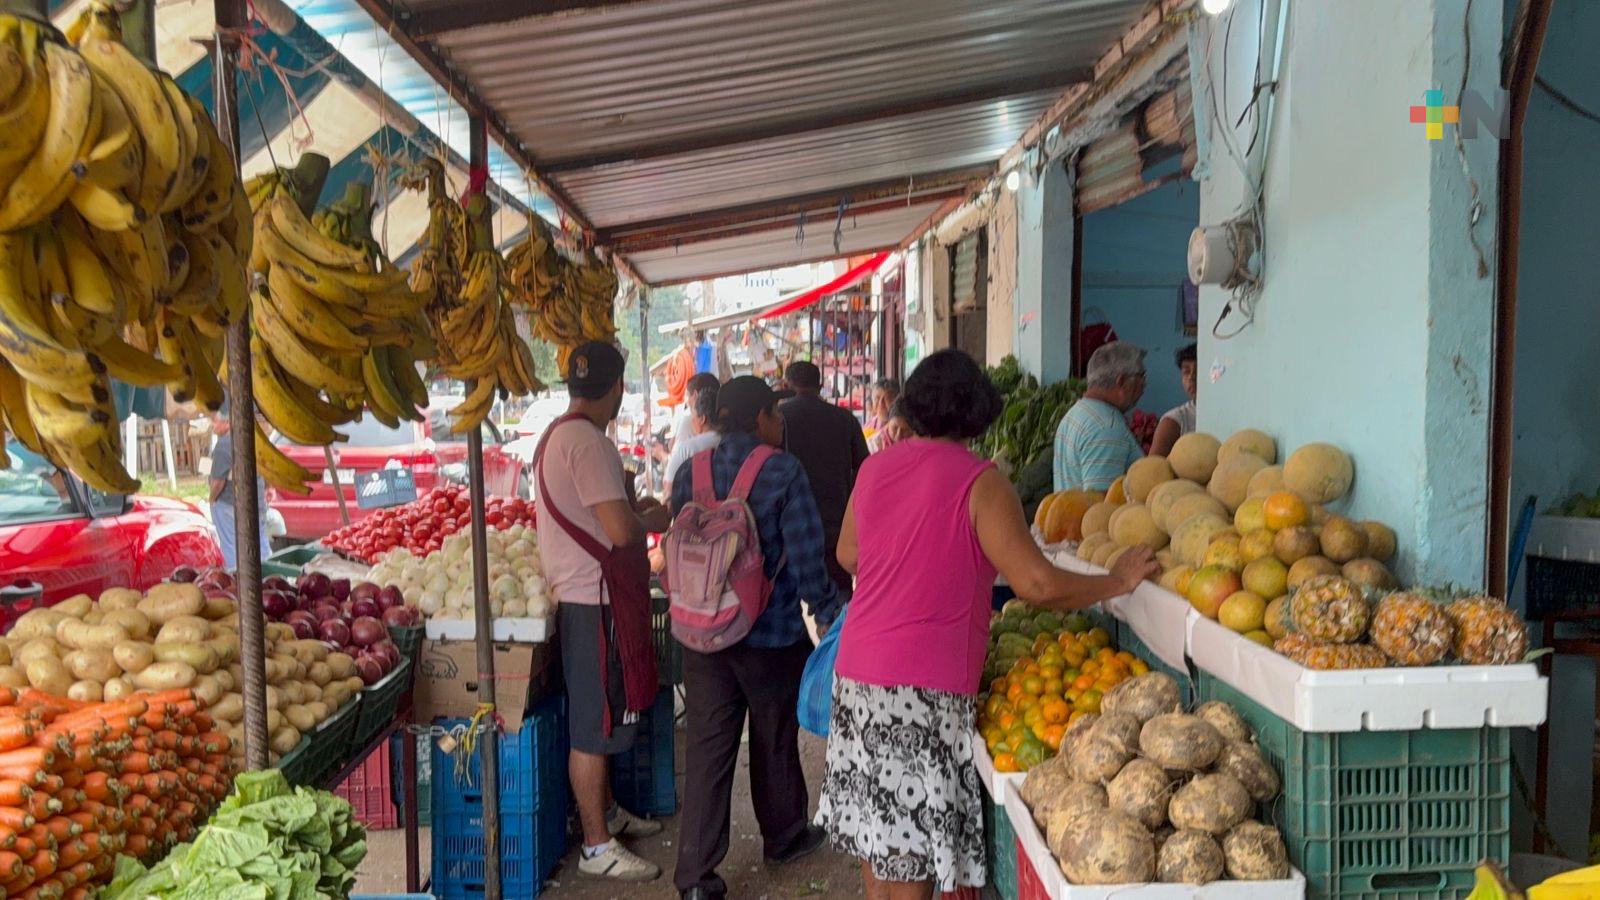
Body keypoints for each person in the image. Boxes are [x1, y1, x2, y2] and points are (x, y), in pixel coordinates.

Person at [815, 349, 1160, 898]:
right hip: (923, 687)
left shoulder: (876, 467)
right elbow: (1038, 586)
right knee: (915, 840)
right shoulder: (982, 482)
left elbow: (850, 553)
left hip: (857, 673)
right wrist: (1115, 583)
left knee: (878, 830)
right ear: (977, 412)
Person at [669, 376, 841, 900]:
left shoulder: (687, 471)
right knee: (773, 739)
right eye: (775, 416)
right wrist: (832, 615)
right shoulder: (782, 470)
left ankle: (696, 877)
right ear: (763, 416)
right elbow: (808, 556)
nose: (778, 425)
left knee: (708, 749)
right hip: (771, 633)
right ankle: (784, 837)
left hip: (700, 636)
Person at [533, 342, 673, 884]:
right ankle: (596, 845)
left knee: (602, 713)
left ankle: (608, 814)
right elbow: (618, 532)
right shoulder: (588, 443)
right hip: (593, 599)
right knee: (594, 726)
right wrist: (651, 516)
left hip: (585, 597)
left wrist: (630, 513)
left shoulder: (557, 435)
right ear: (616, 388)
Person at [777, 361, 869, 598]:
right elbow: (864, 468)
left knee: (789, 599)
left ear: (788, 385)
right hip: (835, 524)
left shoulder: (779, 420)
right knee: (840, 600)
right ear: (820, 385)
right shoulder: (844, 419)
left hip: (790, 526)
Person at [1052, 341, 1147, 492]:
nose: (1145, 384)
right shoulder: (1107, 428)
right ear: (1121, 381)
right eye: (1141, 376)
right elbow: (1101, 507)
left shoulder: (1076, 413)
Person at [207, 411, 270, 571]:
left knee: (232, 549)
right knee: (260, 545)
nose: (212, 425)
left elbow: (218, 482)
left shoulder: (224, 445)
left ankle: (237, 583)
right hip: (257, 502)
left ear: (228, 422)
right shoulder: (255, 440)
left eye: (214, 421)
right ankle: (268, 577)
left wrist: (212, 499)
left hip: (230, 503)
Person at [663, 383, 721, 497]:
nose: (691, 419)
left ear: (702, 419)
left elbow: (668, 486)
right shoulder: (731, 442)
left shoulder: (687, 448)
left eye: (693, 414)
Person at [1149, 343, 1198, 457]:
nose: (1191, 377)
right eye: (1186, 372)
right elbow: (1155, 468)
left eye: (1199, 369)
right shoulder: (1174, 421)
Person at [670, 372, 721, 457]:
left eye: (687, 395)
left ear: (695, 395)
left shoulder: (688, 421)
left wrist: (660, 453)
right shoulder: (726, 427)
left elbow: (676, 461)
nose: (686, 400)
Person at [863, 378, 900, 453]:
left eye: (886, 398)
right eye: (877, 398)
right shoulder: (868, 426)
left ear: (896, 400)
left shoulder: (902, 425)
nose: (881, 403)